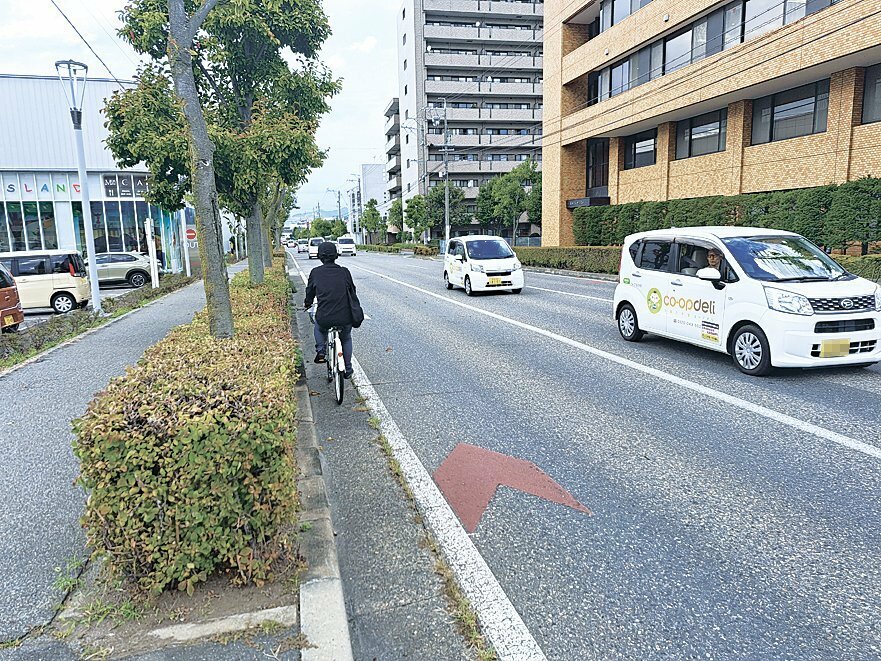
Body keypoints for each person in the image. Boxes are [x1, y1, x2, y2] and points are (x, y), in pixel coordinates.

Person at [304, 241, 360, 379]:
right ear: (336, 255)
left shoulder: (315, 272)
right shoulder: (344, 272)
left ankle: (321, 350)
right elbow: (352, 291)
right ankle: (348, 368)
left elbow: (309, 292)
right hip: (345, 316)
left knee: (318, 327)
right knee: (346, 338)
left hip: (325, 316)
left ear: (320, 256)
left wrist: (307, 304)